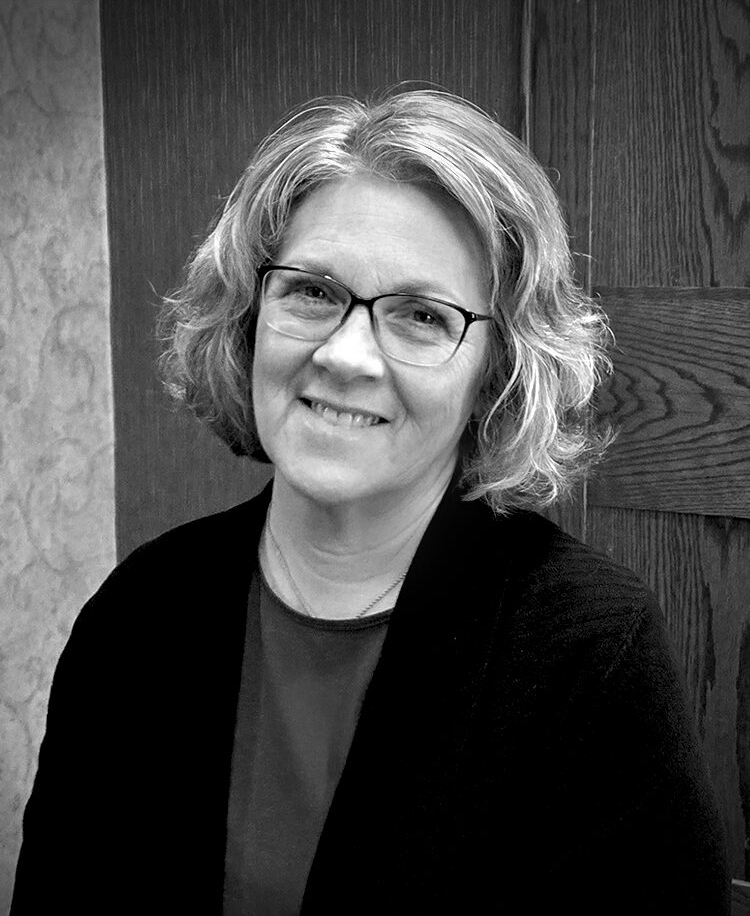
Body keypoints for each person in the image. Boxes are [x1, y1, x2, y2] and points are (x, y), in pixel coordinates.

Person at [11, 88, 729, 915]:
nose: (347, 355)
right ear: (250, 315)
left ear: (496, 373)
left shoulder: (589, 653)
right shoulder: (138, 614)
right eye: (312, 292)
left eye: (421, 315)